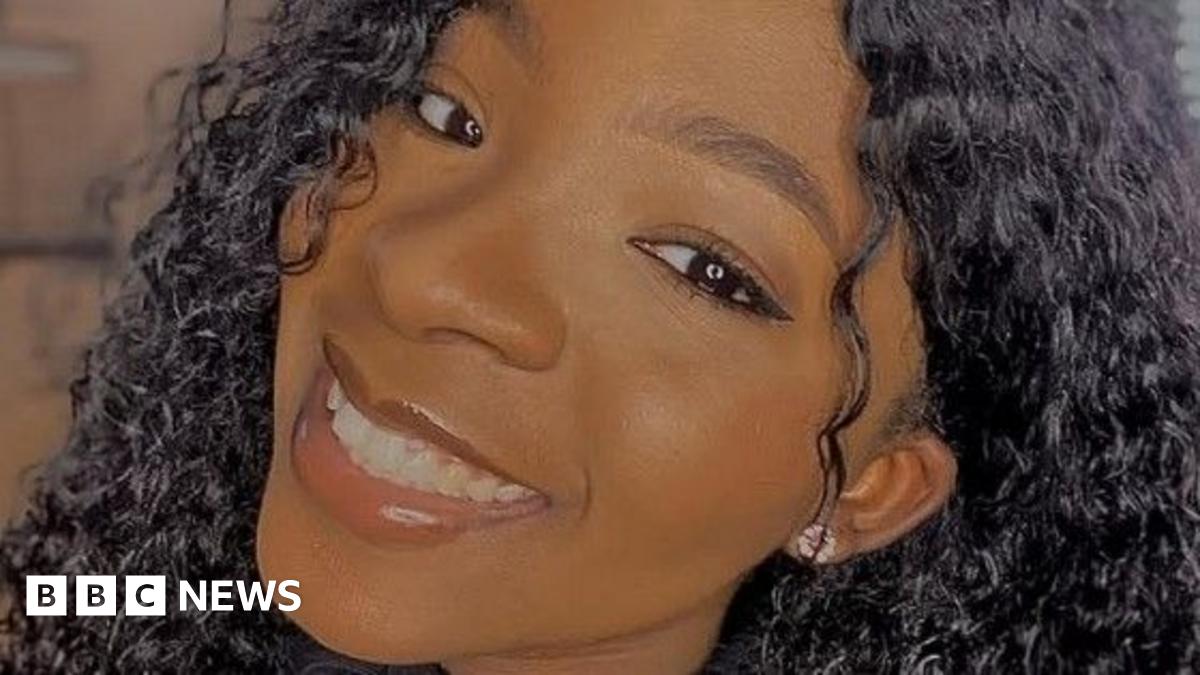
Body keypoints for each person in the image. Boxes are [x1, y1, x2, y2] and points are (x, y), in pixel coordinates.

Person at [3, 0, 1198, 672]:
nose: (424, 270)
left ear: (869, 491)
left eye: (702, 268)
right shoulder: (163, 607)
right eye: (443, 110)